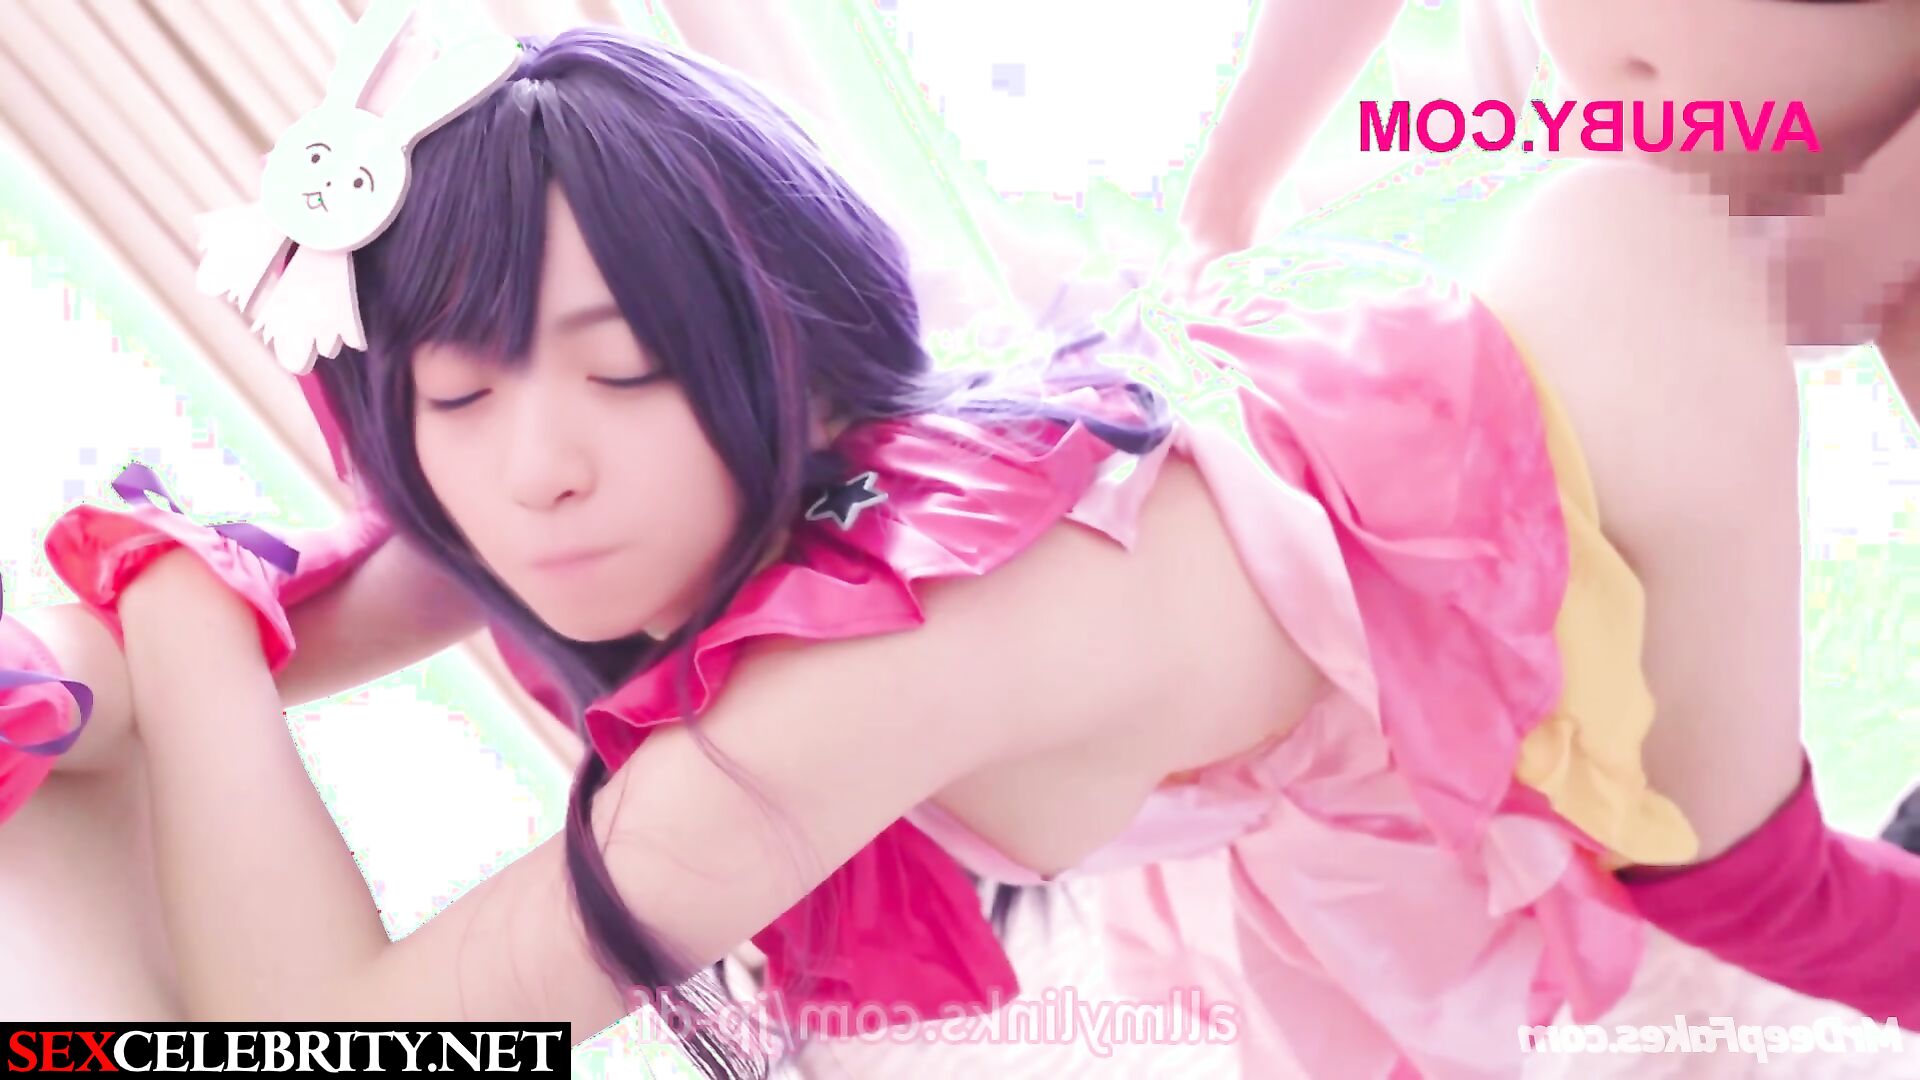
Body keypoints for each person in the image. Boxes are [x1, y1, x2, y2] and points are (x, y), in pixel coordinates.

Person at [5, 8, 1920, 1080]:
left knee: (1750, 898)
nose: (540, 471)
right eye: (460, 393)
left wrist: (173, 604)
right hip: (1347, 457)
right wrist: (85, 663)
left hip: (1590, 413)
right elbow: (381, 575)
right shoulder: (653, 477)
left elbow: (346, 1043)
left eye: (625, 367)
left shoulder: (864, 680)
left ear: (768, 342)